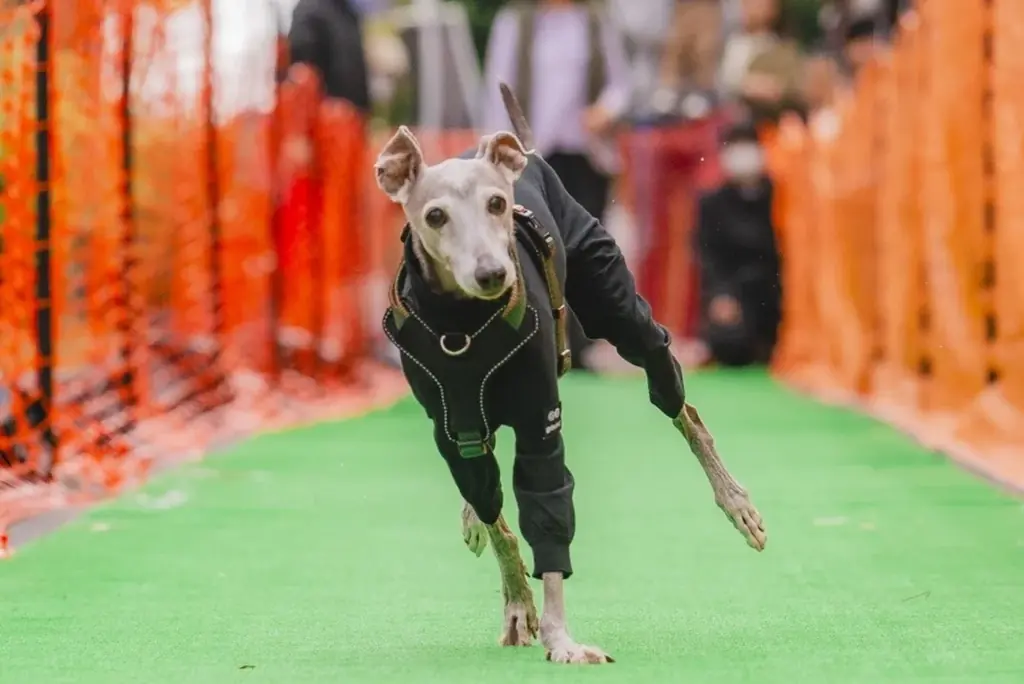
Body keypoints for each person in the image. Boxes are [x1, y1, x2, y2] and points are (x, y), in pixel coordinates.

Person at [481, 0, 632, 371]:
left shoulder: (596, 23)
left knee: (582, 248)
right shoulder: (514, 23)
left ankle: (581, 345)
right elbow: (496, 91)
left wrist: (605, 111)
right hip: (532, 157)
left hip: (587, 154)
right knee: (533, 246)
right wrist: (495, 154)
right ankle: (533, 339)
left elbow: (621, 85)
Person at [694, 122, 782, 367]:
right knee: (729, 343)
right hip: (737, 292)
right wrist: (721, 295)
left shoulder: (780, 195)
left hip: (775, 289)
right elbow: (709, 257)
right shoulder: (713, 202)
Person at [287, 0, 371, 114]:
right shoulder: (309, 11)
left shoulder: (347, 11)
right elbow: (303, 68)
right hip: (325, 114)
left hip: (352, 114)